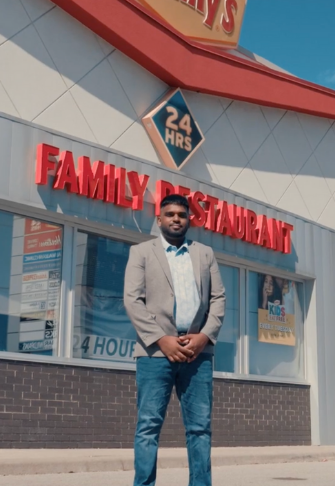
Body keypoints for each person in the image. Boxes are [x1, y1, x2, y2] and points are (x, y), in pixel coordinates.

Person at [124, 193, 225, 486]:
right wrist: (161, 339)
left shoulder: (204, 254)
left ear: (189, 219)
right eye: (170, 214)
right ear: (159, 219)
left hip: (198, 355)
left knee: (200, 429)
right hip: (154, 354)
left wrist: (204, 337)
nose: (176, 219)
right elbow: (133, 301)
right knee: (148, 427)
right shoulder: (141, 252)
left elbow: (218, 299)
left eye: (181, 214)